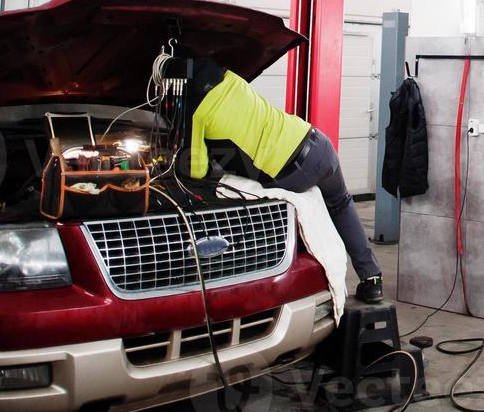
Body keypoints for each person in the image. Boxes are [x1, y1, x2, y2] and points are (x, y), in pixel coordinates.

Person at [159, 51, 385, 303]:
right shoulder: (232, 79)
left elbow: (196, 170)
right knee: (341, 204)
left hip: (290, 173)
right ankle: (372, 278)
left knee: (253, 202)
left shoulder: (195, 111)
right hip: (318, 144)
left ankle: (292, 283)